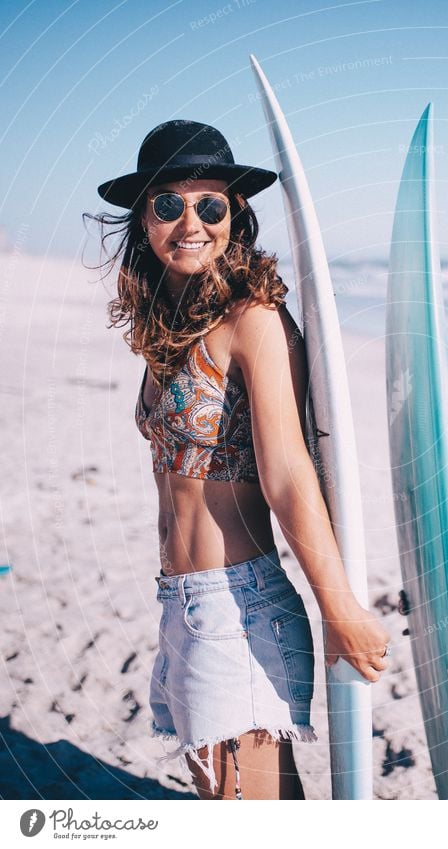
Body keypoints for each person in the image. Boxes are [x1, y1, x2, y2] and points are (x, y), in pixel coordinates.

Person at [89, 120, 389, 800]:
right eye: (169, 204)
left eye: (210, 205)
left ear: (236, 216)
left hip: (238, 605)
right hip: (182, 602)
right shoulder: (168, 326)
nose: (190, 221)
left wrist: (338, 607)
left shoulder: (253, 318)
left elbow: (288, 470)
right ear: (143, 221)